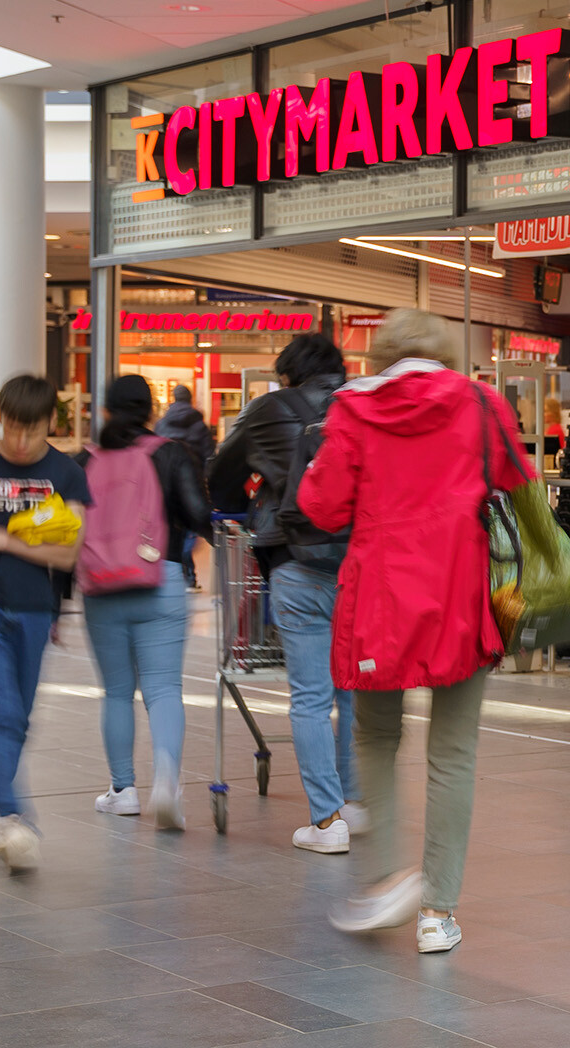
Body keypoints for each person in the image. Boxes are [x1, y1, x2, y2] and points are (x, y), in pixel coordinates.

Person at [304, 308, 532, 954]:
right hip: (462, 594)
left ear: (380, 359)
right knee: (453, 752)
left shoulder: (351, 411)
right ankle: (438, 911)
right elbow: (516, 478)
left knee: (375, 738)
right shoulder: (482, 403)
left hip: (379, 600)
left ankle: (389, 879)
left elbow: (321, 508)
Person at [209, 333, 362, 852]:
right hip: (359, 565)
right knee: (353, 689)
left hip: (296, 562)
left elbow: (220, 475)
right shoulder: (364, 403)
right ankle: (356, 802)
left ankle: (326, 820)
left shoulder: (267, 409)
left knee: (311, 698)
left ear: (289, 373)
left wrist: (256, 496)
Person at [0, 374, 91, 872]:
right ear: (1, 418)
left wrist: (3, 538)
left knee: (18, 719)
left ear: (50, 422)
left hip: (35, 610)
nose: (20, 440)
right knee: (3, 713)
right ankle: (12, 815)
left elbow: (67, 551)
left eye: (30, 430)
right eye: (11, 427)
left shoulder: (67, 473)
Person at [79, 376, 211, 829]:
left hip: (101, 588)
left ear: (107, 409)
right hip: (163, 578)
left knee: (116, 691)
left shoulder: (87, 459)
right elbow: (198, 513)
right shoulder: (171, 453)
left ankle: (123, 789)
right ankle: (168, 783)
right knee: (163, 687)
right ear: (151, 407)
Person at [153, 385, 214, 589]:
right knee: (190, 527)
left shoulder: (161, 424)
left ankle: (174, 571)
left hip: (165, 484)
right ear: (189, 399)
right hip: (192, 481)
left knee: (170, 526)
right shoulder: (199, 426)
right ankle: (188, 574)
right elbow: (209, 456)